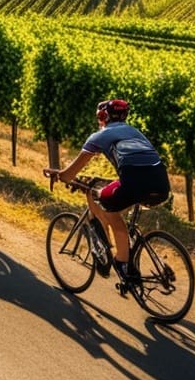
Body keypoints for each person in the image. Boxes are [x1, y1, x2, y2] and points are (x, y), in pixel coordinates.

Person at [43, 99, 170, 279]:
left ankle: (122, 263)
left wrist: (57, 174)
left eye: (99, 116)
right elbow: (141, 166)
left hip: (134, 183)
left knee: (106, 206)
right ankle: (140, 259)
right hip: (161, 184)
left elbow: (68, 175)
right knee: (117, 197)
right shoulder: (135, 132)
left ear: (103, 116)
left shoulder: (100, 136)